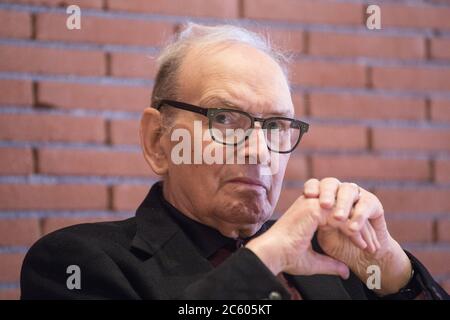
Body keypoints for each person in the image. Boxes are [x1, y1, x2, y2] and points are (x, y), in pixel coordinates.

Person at [20, 23, 449, 300]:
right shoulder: (74, 264)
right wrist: (264, 261)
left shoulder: (336, 264)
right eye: (224, 119)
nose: (259, 151)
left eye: (276, 125)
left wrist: (394, 275)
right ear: (158, 141)